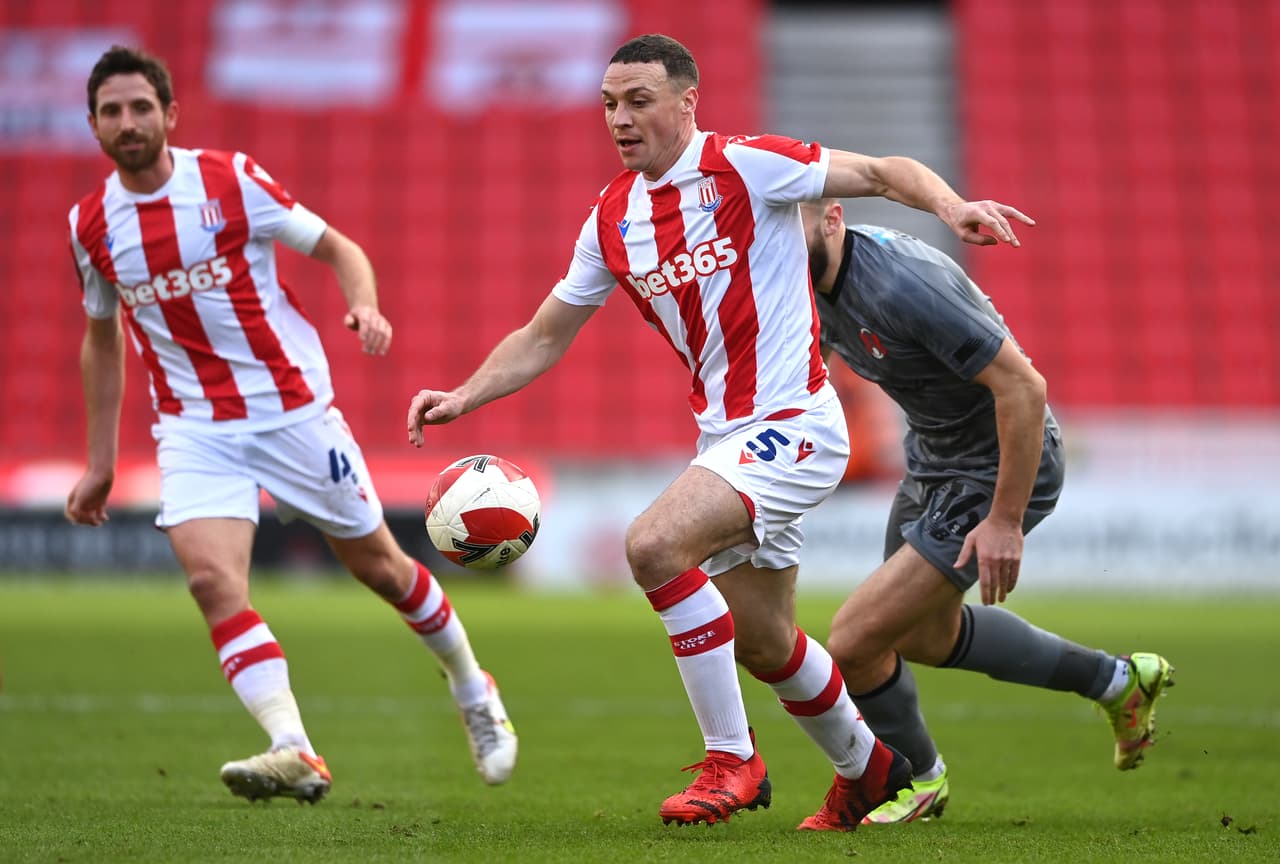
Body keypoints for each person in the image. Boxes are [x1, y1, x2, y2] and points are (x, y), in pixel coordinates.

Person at [406, 33, 1032, 831]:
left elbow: (880, 173)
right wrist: (464, 395)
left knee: (652, 545)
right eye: (609, 104)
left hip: (795, 424)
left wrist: (954, 207)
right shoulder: (611, 216)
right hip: (727, 438)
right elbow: (543, 334)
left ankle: (732, 758)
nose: (621, 119)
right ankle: (872, 769)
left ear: (685, 103)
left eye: (639, 101)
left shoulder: (745, 164)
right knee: (764, 641)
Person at [64, 46, 517, 804]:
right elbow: (101, 339)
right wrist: (100, 461)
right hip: (192, 427)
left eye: (141, 107)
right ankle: (293, 747)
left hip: (290, 411)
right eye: (112, 111)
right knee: (213, 582)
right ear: (94, 126)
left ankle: (474, 689)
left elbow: (339, 247)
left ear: (170, 115)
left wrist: (365, 303)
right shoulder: (90, 227)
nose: (128, 121)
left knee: (382, 569)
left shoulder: (231, 181)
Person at [799, 198, 1175, 823]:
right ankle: (1118, 681)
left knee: (855, 639)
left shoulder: (900, 286)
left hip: (992, 464)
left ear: (833, 219)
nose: (774, 248)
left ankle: (915, 781)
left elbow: (1024, 387)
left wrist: (1004, 519)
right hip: (934, 459)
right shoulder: (808, 279)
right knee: (921, 634)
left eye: (790, 230)